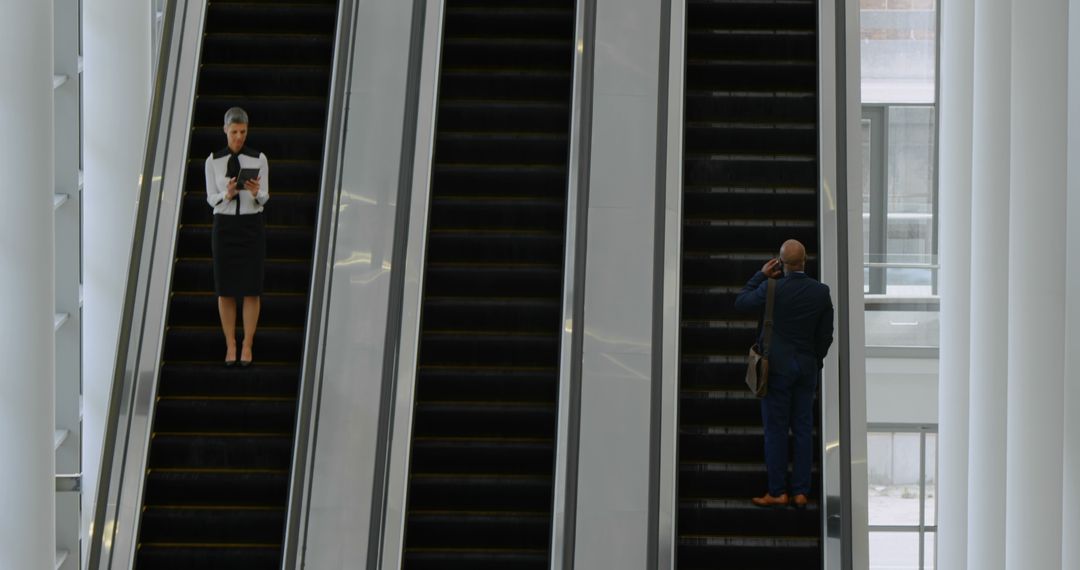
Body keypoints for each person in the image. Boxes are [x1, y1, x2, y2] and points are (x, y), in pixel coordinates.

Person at [735, 239, 833, 509]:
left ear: (780, 263)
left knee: (776, 430)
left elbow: (740, 301)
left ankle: (778, 491)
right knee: (802, 428)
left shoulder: (770, 288)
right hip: (806, 368)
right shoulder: (821, 292)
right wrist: (816, 360)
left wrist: (760, 275)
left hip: (775, 368)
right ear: (805, 261)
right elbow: (826, 335)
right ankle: (801, 492)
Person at [205, 107, 269, 366]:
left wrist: (255, 193)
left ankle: (248, 344)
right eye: (234, 132)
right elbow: (211, 198)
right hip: (225, 227)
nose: (239, 137)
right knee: (226, 289)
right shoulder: (213, 161)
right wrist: (227, 194)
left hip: (251, 226)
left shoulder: (258, 158)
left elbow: (266, 197)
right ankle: (230, 343)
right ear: (225, 131)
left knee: (252, 288)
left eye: (243, 132)